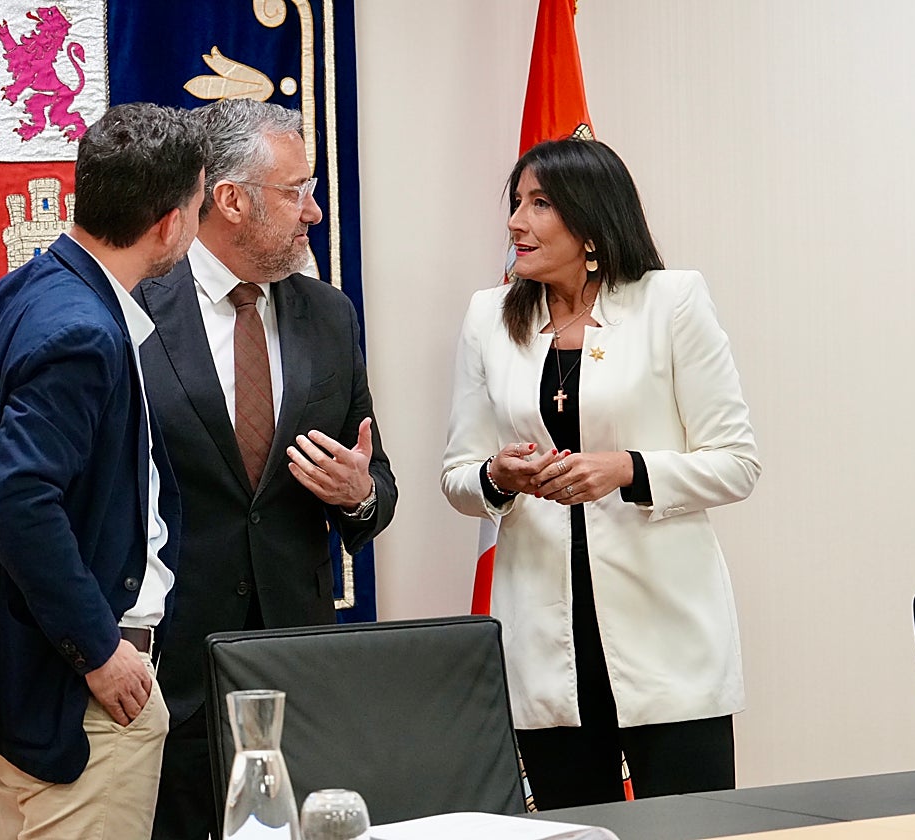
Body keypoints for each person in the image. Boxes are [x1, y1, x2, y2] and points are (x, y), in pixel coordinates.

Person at [441, 139, 760, 809]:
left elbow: (736, 463)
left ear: (591, 222)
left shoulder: (671, 301)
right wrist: (498, 476)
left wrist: (628, 469)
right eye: (516, 203)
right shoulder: (487, 318)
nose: (516, 222)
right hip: (545, 645)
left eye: (540, 204)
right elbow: (458, 476)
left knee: (693, 829)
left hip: (665, 638)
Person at [0, 102, 208, 840]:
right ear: (169, 224)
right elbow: (15, 499)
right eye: (196, 208)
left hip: (18, 687)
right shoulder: (83, 329)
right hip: (77, 701)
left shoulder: (15, 293)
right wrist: (101, 650)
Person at [134, 98, 397, 840]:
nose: (314, 211)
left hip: (295, 667)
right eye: (296, 191)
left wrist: (359, 492)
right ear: (230, 200)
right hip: (169, 669)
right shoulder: (135, 310)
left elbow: (378, 485)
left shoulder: (329, 315)